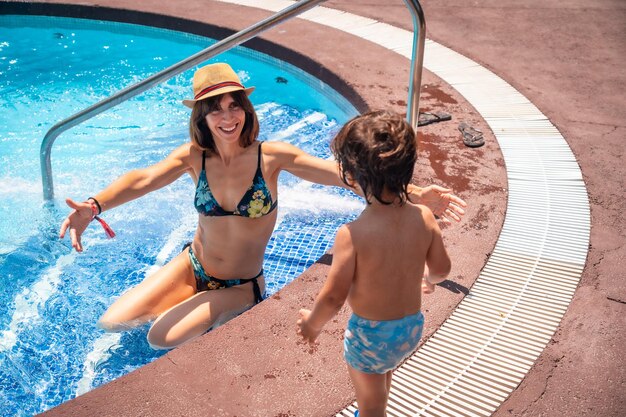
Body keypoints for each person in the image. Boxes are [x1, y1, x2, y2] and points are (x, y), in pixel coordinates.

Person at [59, 63, 463, 350]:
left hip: (240, 285)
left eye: (234, 105)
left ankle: (224, 312)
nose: (227, 116)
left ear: (245, 109)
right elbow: (142, 179)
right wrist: (95, 206)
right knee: (112, 323)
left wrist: (412, 194)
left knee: (158, 338)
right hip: (193, 265)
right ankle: (196, 304)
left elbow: (345, 174)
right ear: (203, 116)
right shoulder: (193, 157)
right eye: (215, 108)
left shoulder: (270, 158)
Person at [296, 110, 452, 417]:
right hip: (410, 330)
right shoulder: (423, 217)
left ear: (351, 177)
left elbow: (332, 297)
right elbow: (442, 269)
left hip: (371, 336)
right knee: (382, 373)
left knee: (372, 404)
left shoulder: (352, 235)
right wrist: (428, 281)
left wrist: (311, 324)